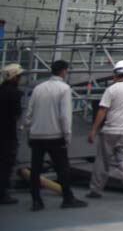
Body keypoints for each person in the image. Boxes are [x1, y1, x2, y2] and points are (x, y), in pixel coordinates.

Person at [23, 60, 86, 211]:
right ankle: (67, 198)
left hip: (37, 135)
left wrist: (27, 129)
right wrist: (67, 135)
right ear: (64, 71)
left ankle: (36, 201)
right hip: (55, 135)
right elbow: (65, 116)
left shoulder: (39, 88)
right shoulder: (64, 89)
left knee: (36, 169)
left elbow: (29, 112)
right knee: (62, 168)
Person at [88, 60, 123, 200]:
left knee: (102, 160)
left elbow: (102, 110)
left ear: (115, 74)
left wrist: (94, 130)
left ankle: (96, 190)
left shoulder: (111, 89)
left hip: (110, 130)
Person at [1, 63, 22, 206]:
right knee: (6, 164)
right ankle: (2, 193)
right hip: (7, 134)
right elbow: (16, 114)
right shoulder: (14, 93)